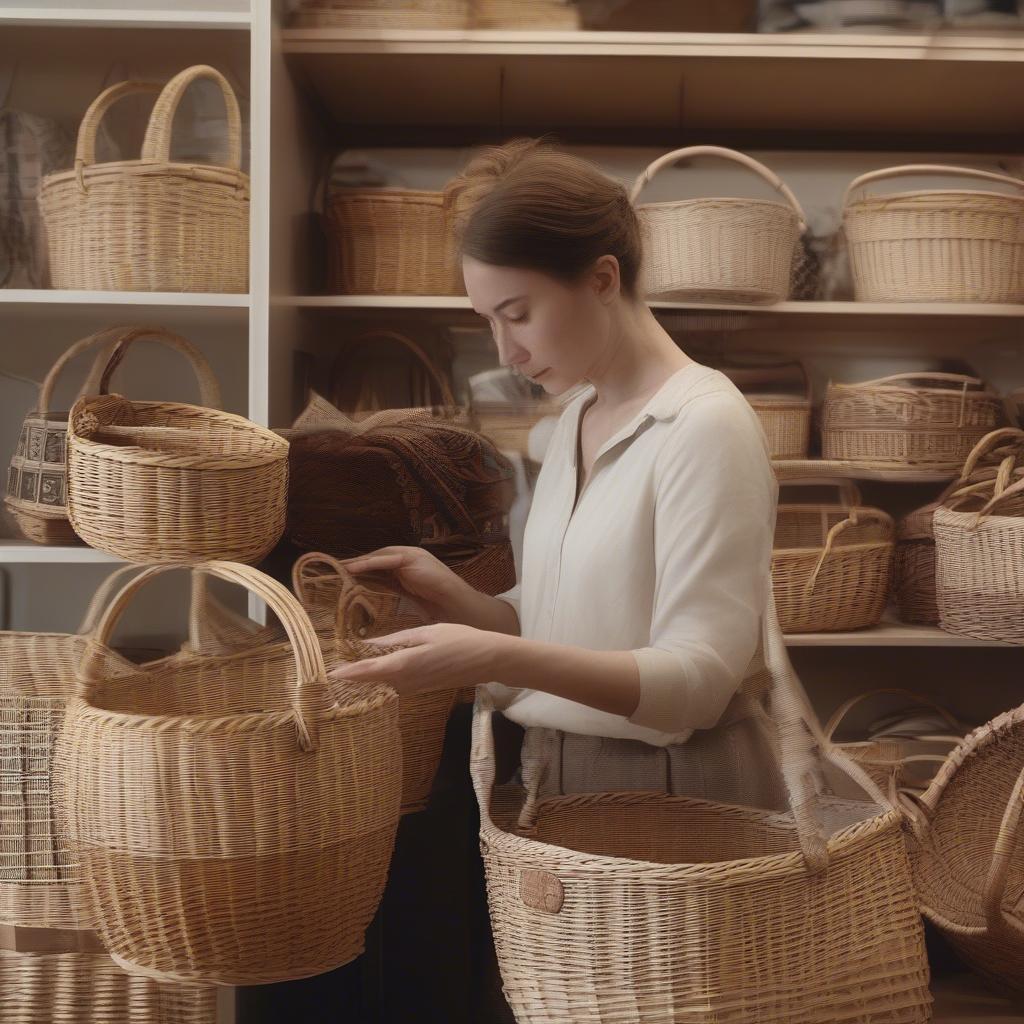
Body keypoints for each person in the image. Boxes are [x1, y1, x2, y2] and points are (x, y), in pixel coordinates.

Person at [328, 136, 785, 810]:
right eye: (488, 322)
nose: (506, 351)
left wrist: (487, 656)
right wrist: (465, 605)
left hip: (680, 794)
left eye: (518, 315)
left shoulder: (704, 424)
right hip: (556, 777)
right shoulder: (576, 419)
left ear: (603, 279)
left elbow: (698, 681)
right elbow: (570, 626)